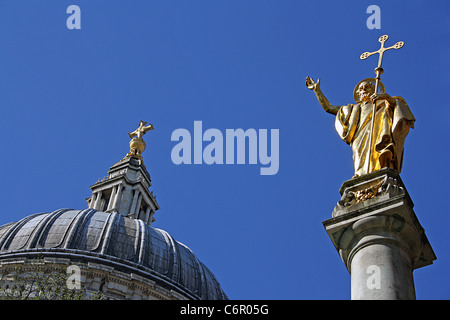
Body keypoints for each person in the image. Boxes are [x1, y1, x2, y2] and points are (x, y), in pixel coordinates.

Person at [306, 76, 415, 178]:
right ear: (358, 94)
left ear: (374, 89)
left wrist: (386, 97)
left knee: (380, 153)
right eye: (361, 88)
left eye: (367, 87)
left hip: (378, 133)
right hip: (359, 137)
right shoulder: (353, 109)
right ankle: (361, 177)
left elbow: (399, 110)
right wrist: (317, 90)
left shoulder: (384, 102)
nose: (364, 89)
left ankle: (379, 175)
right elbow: (329, 108)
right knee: (359, 156)